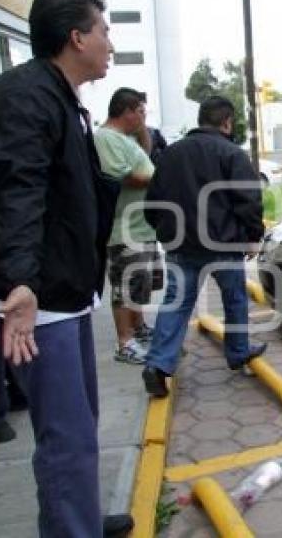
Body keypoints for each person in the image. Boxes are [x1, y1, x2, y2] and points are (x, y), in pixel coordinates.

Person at [0, 0, 133, 537]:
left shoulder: (59, 97)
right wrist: (19, 283)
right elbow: (18, 192)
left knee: (79, 429)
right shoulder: (25, 97)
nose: (109, 43)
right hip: (36, 301)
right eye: (104, 30)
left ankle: (79, 519)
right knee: (66, 440)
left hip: (62, 294)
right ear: (77, 37)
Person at [141, 96, 265, 398]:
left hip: (181, 245)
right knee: (234, 300)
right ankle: (238, 353)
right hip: (223, 244)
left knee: (176, 303)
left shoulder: (170, 154)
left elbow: (152, 202)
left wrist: (164, 231)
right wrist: (252, 235)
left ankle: (158, 364)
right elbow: (248, 201)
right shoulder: (232, 153)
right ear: (226, 122)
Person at [95, 87, 160, 365]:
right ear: (127, 111)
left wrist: (142, 127)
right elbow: (120, 177)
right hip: (124, 229)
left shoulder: (125, 138)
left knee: (140, 283)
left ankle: (139, 328)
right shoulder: (106, 138)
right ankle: (125, 342)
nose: (144, 117)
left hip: (141, 226)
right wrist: (158, 180)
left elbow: (145, 152)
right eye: (141, 111)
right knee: (126, 285)